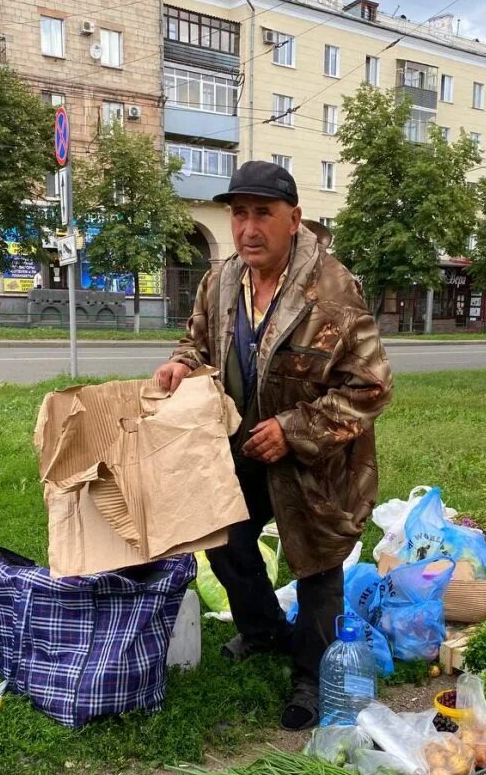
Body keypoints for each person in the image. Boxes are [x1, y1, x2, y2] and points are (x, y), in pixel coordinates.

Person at [154, 161, 393, 730]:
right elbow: (199, 341)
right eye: (239, 213)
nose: (248, 227)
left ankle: (311, 678)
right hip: (240, 446)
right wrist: (179, 364)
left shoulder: (332, 290)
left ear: (294, 219)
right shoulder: (223, 279)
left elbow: (371, 385)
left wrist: (292, 430)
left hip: (313, 457)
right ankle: (263, 631)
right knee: (224, 536)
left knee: (317, 561)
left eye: (263, 213)